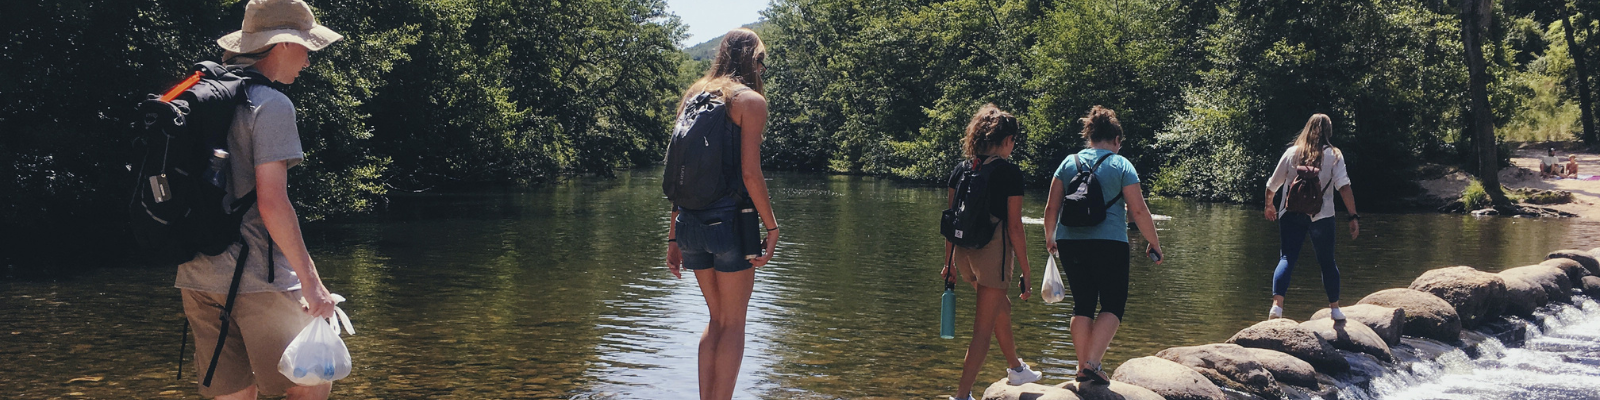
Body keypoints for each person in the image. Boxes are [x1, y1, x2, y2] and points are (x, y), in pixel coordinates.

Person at [175, 0, 343, 399]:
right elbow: (272, 204)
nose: (308, 59)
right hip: (258, 281)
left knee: (230, 392)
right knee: (313, 378)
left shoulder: (200, 97)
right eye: (306, 46)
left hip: (197, 275)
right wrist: (312, 284)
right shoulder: (270, 105)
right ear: (282, 45)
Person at [663, 28, 781, 400]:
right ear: (752, 61)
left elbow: (680, 172)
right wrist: (772, 225)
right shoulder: (749, 102)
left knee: (716, 320)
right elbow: (750, 173)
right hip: (730, 225)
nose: (763, 69)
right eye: (762, 61)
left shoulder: (694, 98)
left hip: (690, 226)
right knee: (733, 323)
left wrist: (672, 237)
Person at [1042, 106, 1163, 384]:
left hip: (1070, 241)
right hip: (1110, 242)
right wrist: (1153, 243)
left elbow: (1051, 207)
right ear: (1117, 140)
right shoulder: (1121, 165)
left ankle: (1083, 367)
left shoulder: (1067, 162)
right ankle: (1092, 364)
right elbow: (1139, 211)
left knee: (1082, 305)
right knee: (1112, 304)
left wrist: (1050, 237)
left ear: (1090, 136)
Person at [942, 104, 1040, 400]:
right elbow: (1014, 227)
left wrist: (949, 264)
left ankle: (1016, 369)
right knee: (982, 331)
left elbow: (950, 219)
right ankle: (961, 396)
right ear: (1007, 140)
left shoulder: (961, 169)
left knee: (1001, 308)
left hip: (964, 254)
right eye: (1013, 141)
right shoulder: (1009, 173)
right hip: (992, 255)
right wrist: (1026, 269)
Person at [1263, 113, 1359, 321]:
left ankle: (1277, 307)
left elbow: (1272, 185)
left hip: (1290, 213)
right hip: (1322, 216)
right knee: (1327, 261)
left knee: (1287, 257)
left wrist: (1269, 205)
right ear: (1329, 132)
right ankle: (1335, 309)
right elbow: (1344, 187)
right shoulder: (1334, 155)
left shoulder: (1291, 153)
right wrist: (1353, 216)